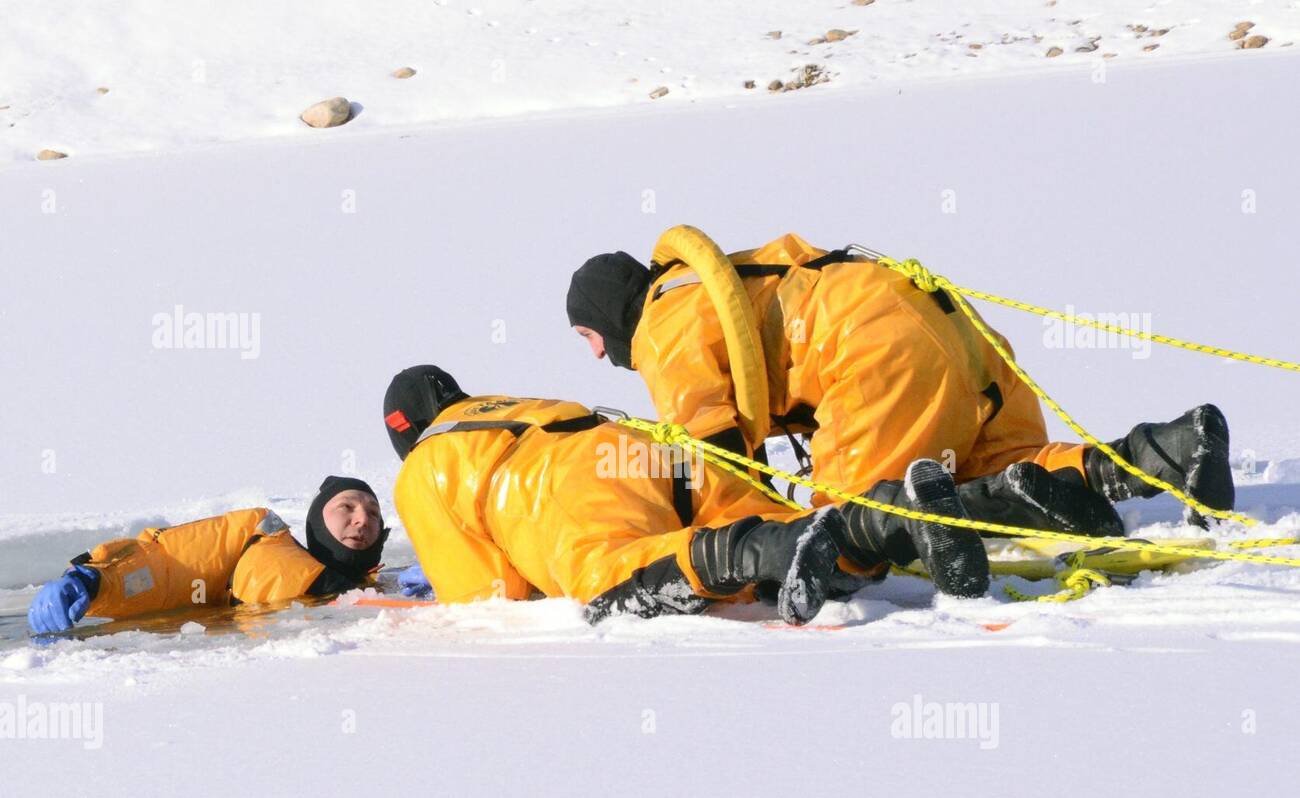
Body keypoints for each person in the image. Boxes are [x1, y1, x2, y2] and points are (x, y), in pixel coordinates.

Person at [564, 231, 1234, 524]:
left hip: (869, 352)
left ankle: (998, 503)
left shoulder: (663, 322)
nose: (596, 357)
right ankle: (1166, 450)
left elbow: (713, 451)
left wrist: (742, 541)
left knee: (853, 529)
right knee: (996, 459)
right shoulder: (717, 281)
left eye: (588, 338)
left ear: (607, 319)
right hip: (948, 326)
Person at [381, 365, 1007, 626]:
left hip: (571, 492)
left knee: (611, 578)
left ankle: (768, 551)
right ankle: (895, 519)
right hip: (641, 449)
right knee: (769, 518)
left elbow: (490, 597)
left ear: (403, 433)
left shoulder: (422, 468)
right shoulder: (508, 404)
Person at [27, 477, 389, 635]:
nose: (362, 519)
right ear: (317, 520)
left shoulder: (388, 585)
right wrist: (93, 581)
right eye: (347, 506)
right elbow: (165, 563)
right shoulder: (255, 536)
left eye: (374, 513)